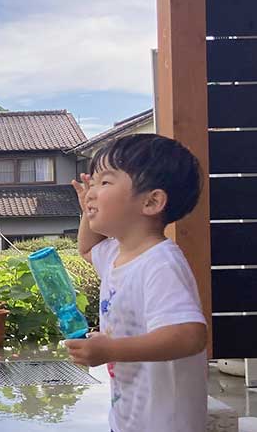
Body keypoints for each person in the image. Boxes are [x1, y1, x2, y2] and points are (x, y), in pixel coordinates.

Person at [67, 133, 208, 432]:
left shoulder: (160, 263)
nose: (91, 192)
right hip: (129, 421)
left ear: (151, 201)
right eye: (92, 183)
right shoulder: (116, 253)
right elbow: (87, 249)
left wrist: (111, 350)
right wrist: (88, 211)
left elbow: (189, 336)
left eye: (105, 182)